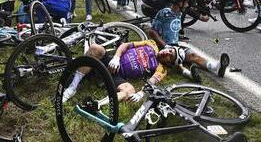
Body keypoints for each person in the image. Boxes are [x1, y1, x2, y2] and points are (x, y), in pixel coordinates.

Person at [62, 38, 226, 103]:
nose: (166, 52)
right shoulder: (151, 44)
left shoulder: (162, 69)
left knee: (130, 90)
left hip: (119, 76)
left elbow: (152, 82)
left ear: (170, 63)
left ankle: (98, 105)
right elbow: (126, 45)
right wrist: (117, 57)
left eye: (170, 56)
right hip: (111, 61)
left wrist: (141, 93)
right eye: (169, 50)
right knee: (95, 48)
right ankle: (72, 87)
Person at [148, 0, 229, 80]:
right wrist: (165, 45)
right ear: (178, 2)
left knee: (193, 55)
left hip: (176, 46)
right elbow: (152, 31)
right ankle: (189, 74)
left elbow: (175, 29)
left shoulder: (179, 13)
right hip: (164, 48)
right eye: (185, 2)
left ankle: (215, 67)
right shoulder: (165, 13)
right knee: (177, 61)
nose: (187, 5)